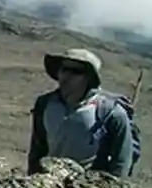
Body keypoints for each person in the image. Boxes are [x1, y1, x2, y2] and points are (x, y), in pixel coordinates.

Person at [28, 48, 134, 177]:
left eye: (76, 72)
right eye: (64, 69)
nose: (67, 76)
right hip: (50, 180)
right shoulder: (45, 104)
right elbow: (38, 147)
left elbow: (121, 161)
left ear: (89, 78)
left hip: (87, 187)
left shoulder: (111, 113)